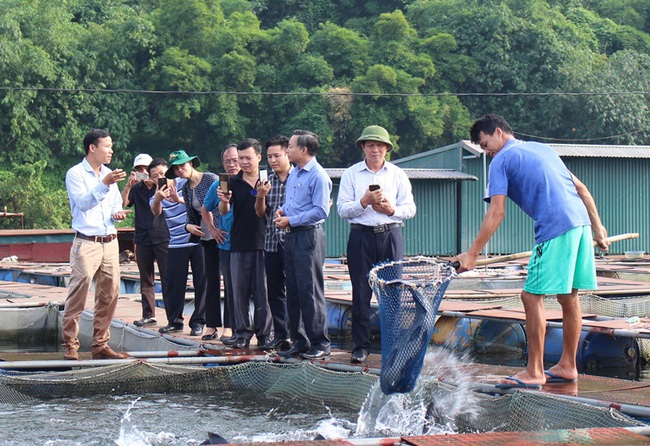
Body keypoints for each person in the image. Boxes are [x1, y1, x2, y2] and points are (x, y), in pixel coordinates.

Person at [455, 114, 610, 389]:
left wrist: (472, 254)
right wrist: (598, 230)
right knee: (568, 296)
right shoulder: (543, 149)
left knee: (530, 296)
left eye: (484, 143)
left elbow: (497, 211)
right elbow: (582, 189)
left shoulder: (501, 160)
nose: (485, 151)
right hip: (581, 225)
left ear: (499, 133)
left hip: (555, 227)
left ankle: (534, 371)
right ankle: (567, 365)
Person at [337, 125, 416, 364]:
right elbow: (342, 209)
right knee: (361, 292)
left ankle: (393, 345)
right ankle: (361, 346)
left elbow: (410, 208)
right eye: (370, 145)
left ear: (387, 149)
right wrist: (364, 202)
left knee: (392, 291)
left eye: (380, 145)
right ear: (363, 147)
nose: (375, 149)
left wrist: (391, 209)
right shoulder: (351, 174)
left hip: (390, 235)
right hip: (360, 236)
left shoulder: (397, 174)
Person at [62, 128, 131, 360]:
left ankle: (100, 344)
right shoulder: (75, 174)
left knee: (109, 294)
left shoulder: (110, 173)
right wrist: (104, 184)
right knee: (78, 294)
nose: (111, 150)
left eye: (111, 146)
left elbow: (112, 207)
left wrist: (118, 214)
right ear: (93, 148)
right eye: (107, 146)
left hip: (110, 241)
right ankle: (70, 343)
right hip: (86, 242)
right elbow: (82, 204)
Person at [274, 129, 332, 360]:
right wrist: (283, 212)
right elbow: (293, 204)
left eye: (290, 146)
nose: (287, 150)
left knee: (310, 290)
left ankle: (320, 342)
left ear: (304, 150)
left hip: (309, 235)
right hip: (291, 235)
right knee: (295, 291)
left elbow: (321, 211)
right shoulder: (295, 174)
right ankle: (300, 340)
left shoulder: (318, 175)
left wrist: (291, 219)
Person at [218, 139, 273, 349]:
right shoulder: (232, 182)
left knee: (264, 292)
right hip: (239, 242)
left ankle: (265, 334)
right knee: (238, 291)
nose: (244, 162)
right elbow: (223, 212)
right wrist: (224, 200)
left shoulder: (269, 181)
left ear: (259, 157)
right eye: (241, 158)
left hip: (264, 242)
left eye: (248, 158)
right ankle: (241, 332)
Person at [165, 150, 221, 337]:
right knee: (207, 281)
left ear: (191, 163)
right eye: (176, 169)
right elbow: (191, 214)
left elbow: (220, 207)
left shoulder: (211, 179)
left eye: (182, 165)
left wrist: (215, 229)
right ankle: (206, 326)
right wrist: (189, 226)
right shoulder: (187, 188)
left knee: (215, 283)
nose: (180, 170)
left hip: (220, 235)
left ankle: (209, 324)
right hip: (203, 238)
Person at [150, 156, 208, 336]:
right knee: (174, 284)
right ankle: (174, 321)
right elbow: (156, 211)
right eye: (154, 176)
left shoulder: (186, 185)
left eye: (162, 173)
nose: (159, 177)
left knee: (202, 282)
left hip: (198, 239)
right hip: (176, 243)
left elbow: (201, 204)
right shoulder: (155, 196)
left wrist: (179, 199)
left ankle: (198, 322)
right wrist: (160, 199)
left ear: (170, 172)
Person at [121, 153, 169, 327]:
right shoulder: (136, 189)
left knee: (167, 277)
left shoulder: (163, 186)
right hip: (142, 237)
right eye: (139, 169)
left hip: (163, 236)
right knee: (146, 279)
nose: (143, 172)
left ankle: (173, 317)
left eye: (145, 169)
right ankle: (148, 315)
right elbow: (123, 204)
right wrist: (128, 185)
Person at [254, 135, 293, 351]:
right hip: (270, 241)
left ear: (288, 154)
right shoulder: (267, 181)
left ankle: (299, 335)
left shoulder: (299, 177)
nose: (273, 160)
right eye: (269, 156)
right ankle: (281, 335)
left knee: (296, 289)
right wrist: (261, 195)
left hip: (295, 241)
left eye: (277, 155)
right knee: (275, 290)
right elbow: (259, 213)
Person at [202, 144, 239, 343]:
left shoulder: (252, 181)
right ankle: (228, 326)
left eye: (235, 160)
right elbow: (205, 209)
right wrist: (213, 229)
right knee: (228, 285)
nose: (232, 164)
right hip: (226, 243)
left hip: (250, 243)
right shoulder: (219, 183)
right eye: (228, 161)